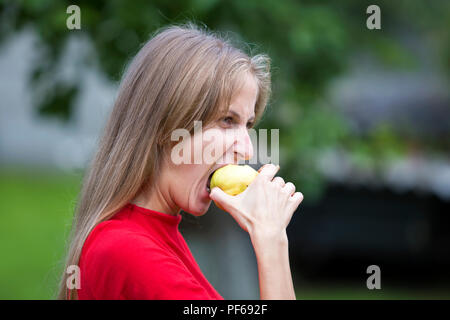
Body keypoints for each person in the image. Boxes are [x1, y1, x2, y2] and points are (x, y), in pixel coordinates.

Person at [58, 23, 303, 300]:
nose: (247, 150)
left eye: (247, 125)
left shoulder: (156, 236)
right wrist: (271, 241)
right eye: (227, 121)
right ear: (167, 126)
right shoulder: (128, 250)